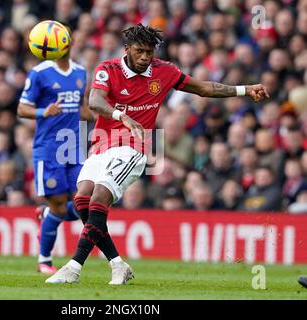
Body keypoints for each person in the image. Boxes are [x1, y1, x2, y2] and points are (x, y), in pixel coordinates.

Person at [44, 24, 269, 285]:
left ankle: (73, 268)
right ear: (126, 49)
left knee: (99, 197)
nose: (144, 57)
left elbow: (204, 88)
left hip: (133, 147)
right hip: (103, 143)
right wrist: (121, 115)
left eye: (149, 52)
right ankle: (118, 264)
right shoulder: (108, 69)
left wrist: (244, 89)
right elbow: (94, 101)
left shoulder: (165, 71)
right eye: (139, 51)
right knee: (82, 200)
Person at [17, 24, 94, 275]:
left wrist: (105, 115)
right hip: (49, 149)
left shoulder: (81, 72)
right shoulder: (39, 74)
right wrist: (43, 111)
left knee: (85, 204)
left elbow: (80, 109)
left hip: (74, 148)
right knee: (60, 207)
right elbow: (22, 108)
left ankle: (47, 216)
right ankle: (45, 260)